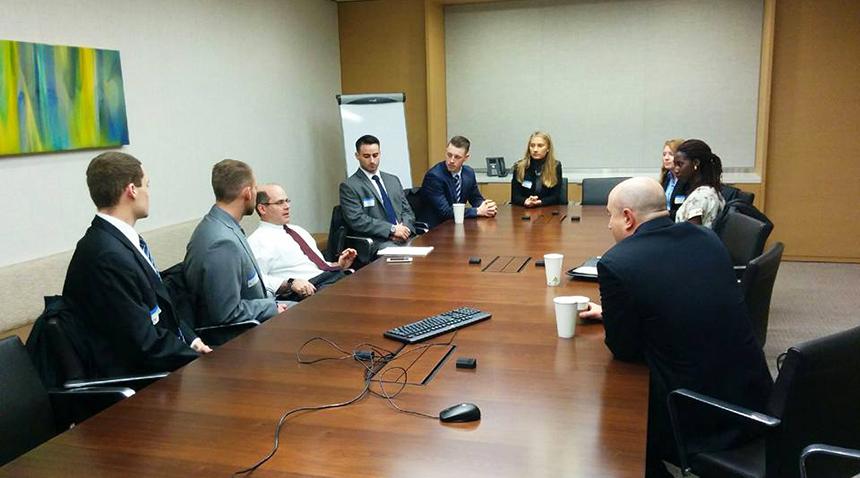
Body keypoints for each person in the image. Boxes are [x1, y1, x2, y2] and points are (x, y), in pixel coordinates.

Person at [579, 177, 772, 477]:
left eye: (610, 215)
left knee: (612, 427)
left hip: (699, 416)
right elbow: (682, 298)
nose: (608, 225)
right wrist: (616, 312)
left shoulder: (617, 263)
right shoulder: (706, 239)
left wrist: (621, 317)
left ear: (628, 218)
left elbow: (624, 350)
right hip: (754, 396)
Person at [62, 152, 211, 378]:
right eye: (147, 186)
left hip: (164, 364)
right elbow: (143, 344)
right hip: (140, 383)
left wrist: (192, 340)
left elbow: (161, 310)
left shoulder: (121, 242)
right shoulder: (106, 255)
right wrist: (204, 362)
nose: (149, 194)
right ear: (131, 190)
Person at [184, 159, 285, 330]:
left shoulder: (222, 225)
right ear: (247, 193)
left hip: (260, 315)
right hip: (243, 336)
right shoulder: (221, 243)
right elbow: (226, 312)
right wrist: (271, 307)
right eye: (254, 188)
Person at [248, 184, 357, 300]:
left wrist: (337, 265)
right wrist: (291, 283)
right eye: (280, 203)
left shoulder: (298, 230)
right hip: (305, 291)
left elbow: (313, 266)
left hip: (327, 279)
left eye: (287, 201)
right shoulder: (257, 241)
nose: (287, 206)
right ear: (262, 208)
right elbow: (257, 281)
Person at [339, 134, 416, 248]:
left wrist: (405, 229)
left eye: (375, 155)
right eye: (366, 156)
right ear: (357, 156)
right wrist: (391, 230)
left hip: (404, 236)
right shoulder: (349, 186)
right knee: (401, 258)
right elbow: (357, 220)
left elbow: (407, 211)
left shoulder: (393, 180)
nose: (372, 161)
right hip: (377, 241)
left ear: (380, 153)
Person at [419, 135, 497, 228]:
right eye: (449, 155)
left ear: (466, 157)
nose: (451, 160)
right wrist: (478, 211)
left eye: (457, 157)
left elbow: (476, 198)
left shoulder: (468, 173)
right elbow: (445, 212)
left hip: (456, 226)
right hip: (436, 228)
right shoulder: (434, 176)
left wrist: (487, 207)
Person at [672, 139, 725, 228]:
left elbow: (692, 237)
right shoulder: (709, 190)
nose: (676, 169)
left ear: (696, 163)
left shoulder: (700, 197)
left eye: (680, 164)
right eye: (675, 164)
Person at [510, 131, 564, 207]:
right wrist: (525, 201)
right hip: (524, 210)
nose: (535, 149)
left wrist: (540, 202)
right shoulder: (519, 166)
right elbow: (515, 197)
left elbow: (556, 197)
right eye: (532, 146)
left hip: (547, 210)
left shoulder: (555, 166)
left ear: (548, 148)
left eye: (540, 146)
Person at [659, 138, 685, 211]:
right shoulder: (666, 177)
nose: (666, 158)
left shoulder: (686, 179)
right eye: (664, 154)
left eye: (671, 154)